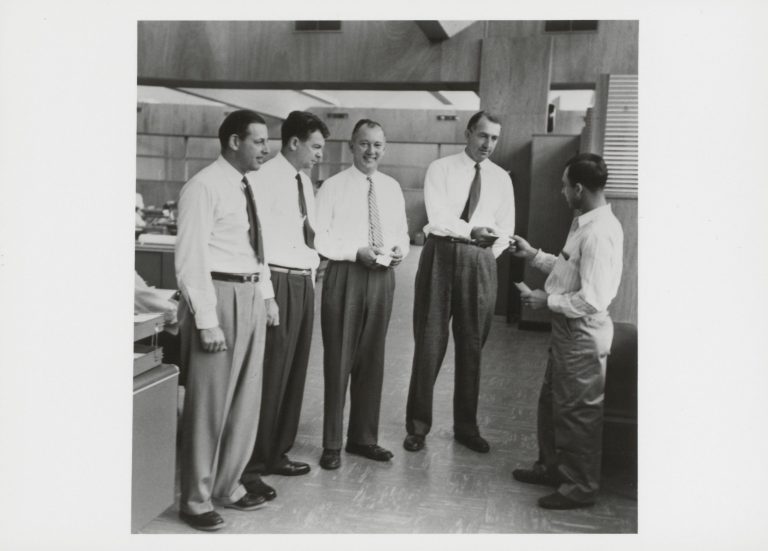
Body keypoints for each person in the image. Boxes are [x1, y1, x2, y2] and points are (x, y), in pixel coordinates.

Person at [174, 109, 279, 531]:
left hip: (251, 294)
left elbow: (258, 246)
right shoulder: (202, 186)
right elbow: (190, 259)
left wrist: (266, 296)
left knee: (244, 402)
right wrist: (206, 319)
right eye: (258, 141)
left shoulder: (246, 186)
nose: (266, 149)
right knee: (208, 406)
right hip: (218, 296)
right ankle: (195, 500)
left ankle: (227, 484)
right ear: (234, 142)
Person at [509, 153, 623, 510]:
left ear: (578, 188)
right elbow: (567, 270)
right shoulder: (584, 223)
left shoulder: (600, 233)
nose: (561, 192)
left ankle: (580, 487)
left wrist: (547, 302)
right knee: (552, 404)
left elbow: (593, 298)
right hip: (568, 332)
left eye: (563, 186)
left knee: (578, 412)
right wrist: (532, 255)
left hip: (582, 332)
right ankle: (552, 468)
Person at [403, 111, 515, 454]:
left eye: (494, 138)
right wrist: (470, 234)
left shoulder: (500, 178)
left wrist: (481, 258)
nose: (488, 144)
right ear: (468, 133)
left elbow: (505, 229)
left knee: (472, 349)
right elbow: (437, 217)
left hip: (479, 261)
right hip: (441, 255)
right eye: (483, 136)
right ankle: (417, 427)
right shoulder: (441, 168)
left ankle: (466, 427)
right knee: (429, 343)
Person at [314, 119, 410, 470]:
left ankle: (363, 438)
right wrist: (356, 251)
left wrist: (399, 250)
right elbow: (319, 239)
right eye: (365, 144)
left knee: (373, 359)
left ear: (385, 148)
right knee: (339, 359)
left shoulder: (391, 187)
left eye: (378, 145)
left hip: (383, 276)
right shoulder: (333, 187)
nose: (372, 151)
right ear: (352, 146)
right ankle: (331, 443)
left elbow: (401, 231)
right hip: (347, 274)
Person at [241, 111, 329, 489]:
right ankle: (253, 463)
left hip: (303, 282)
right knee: (272, 374)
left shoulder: (306, 183)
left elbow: (308, 234)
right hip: (276, 280)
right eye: (315, 147)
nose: (319, 155)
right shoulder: (262, 179)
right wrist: (267, 295)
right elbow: (254, 242)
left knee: (294, 372)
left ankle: (278, 452)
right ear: (294, 142)